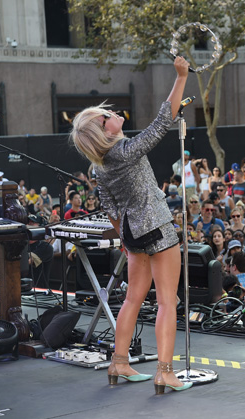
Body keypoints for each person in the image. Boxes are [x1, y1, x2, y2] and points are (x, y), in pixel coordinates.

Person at [70, 56, 192, 394]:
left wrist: (125, 240)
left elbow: (110, 208)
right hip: (157, 228)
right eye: (105, 114)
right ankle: (165, 372)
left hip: (132, 234)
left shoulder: (100, 167)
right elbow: (162, 122)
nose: (112, 113)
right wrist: (181, 77)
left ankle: (119, 362)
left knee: (132, 299)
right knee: (167, 301)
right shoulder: (124, 151)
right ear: (104, 128)